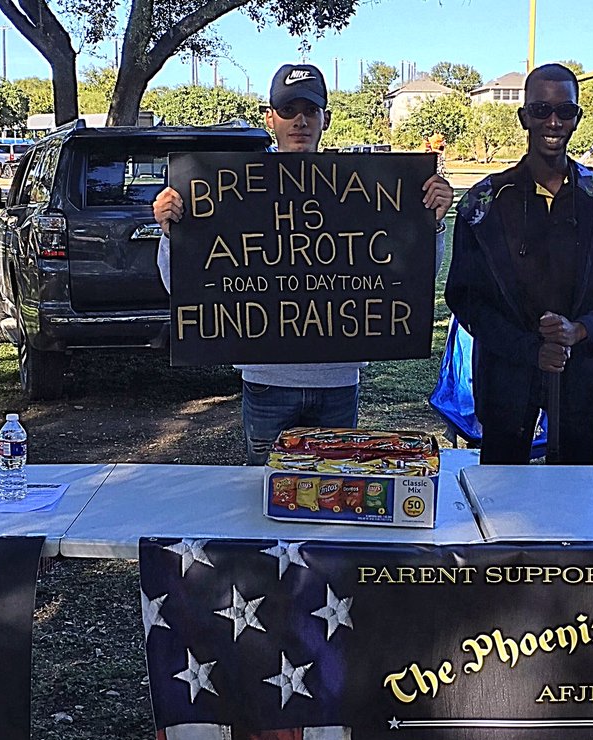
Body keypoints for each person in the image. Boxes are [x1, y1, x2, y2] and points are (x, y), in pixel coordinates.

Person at [153, 63, 454, 465]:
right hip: (266, 382)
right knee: (265, 492)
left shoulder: (362, 190)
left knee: (336, 494)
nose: (299, 120)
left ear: (324, 119)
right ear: (270, 118)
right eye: (289, 109)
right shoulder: (228, 191)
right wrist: (172, 233)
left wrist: (430, 224)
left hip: (338, 381)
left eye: (310, 111)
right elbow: (182, 286)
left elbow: (407, 278)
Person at [444, 63, 593, 465]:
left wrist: (583, 329)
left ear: (577, 117)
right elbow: (466, 298)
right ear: (524, 117)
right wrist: (527, 350)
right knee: (503, 506)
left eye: (565, 111)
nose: (553, 122)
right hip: (507, 381)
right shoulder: (483, 203)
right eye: (541, 110)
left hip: (585, 380)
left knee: (580, 508)